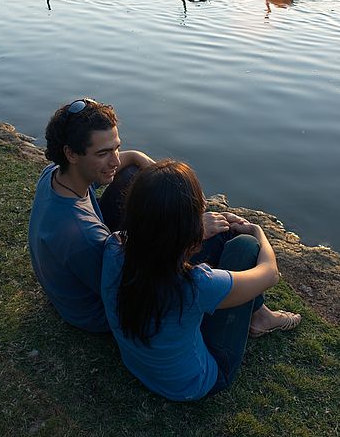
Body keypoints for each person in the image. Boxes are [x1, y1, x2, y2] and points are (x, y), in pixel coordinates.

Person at [101, 160, 301, 401]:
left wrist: (202, 228)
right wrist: (258, 232)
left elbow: (160, 240)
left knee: (221, 235)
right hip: (194, 383)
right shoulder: (195, 284)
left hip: (138, 363)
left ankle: (261, 315)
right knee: (245, 246)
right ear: (187, 227)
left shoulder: (115, 246)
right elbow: (270, 274)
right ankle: (263, 319)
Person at [28, 98, 154, 333]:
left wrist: (138, 156)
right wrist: (184, 231)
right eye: (104, 153)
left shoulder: (55, 174)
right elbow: (128, 294)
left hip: (80, 269)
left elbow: (121, 163)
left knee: (131, 174)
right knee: (209, 245)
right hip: (99, 312)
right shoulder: (83, 235)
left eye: (117, 148)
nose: (115, 159)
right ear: (71, 154)